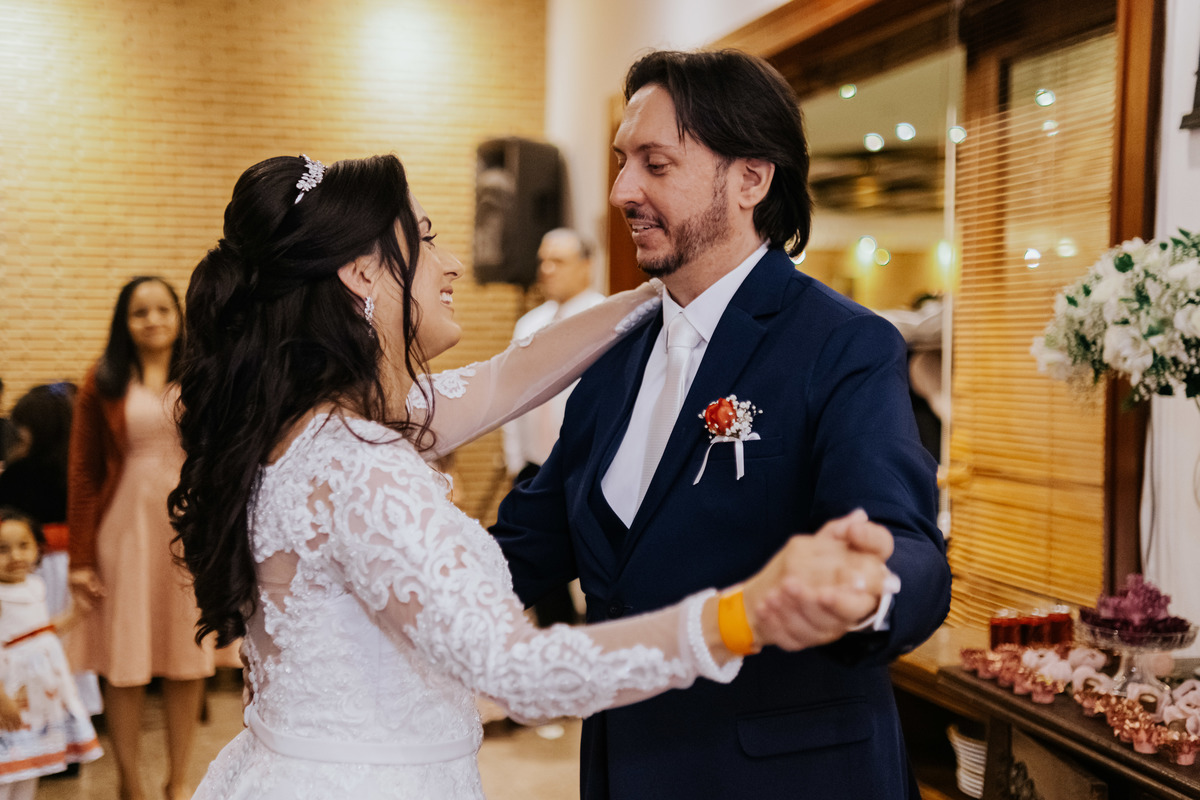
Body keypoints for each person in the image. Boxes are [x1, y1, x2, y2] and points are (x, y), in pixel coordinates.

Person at [169, 152, 899, 799]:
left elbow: (508, 377)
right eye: (425, 239)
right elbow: (520, 671)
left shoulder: (293, 420)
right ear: (362, 272)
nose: (451, 263)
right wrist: (743, 614)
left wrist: (677, 288)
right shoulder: (362, 467)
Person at [489, 49, 953, 799]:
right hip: (624, 769)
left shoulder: (841, 344)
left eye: (655, 164)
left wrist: (870, 589)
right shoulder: (611, 358)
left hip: (787, 778)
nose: (621, 191)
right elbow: (528, 544)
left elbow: (906, 544)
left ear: (750, 179)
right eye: (622, 162)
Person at [66, 276, 211, 800]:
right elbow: (83, 472)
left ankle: (178, 781)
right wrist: (80, 560)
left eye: (162, 309)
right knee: (123, 662)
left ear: (179, 315)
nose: (152, 320)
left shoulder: (203, 374)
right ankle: (130, 783)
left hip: (188, 529)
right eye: (139, 312)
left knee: (187, 659)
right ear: (123, 323)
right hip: (124, 532)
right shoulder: (102, 380)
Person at [501, 228, 605, 627]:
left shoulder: (607, 318)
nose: (546, 270)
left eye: (558, 261)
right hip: (533, 464)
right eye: (543, 261)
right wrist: (515, 460)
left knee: (590, 562)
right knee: (537, 565)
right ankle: (550, 640)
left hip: (583, 464)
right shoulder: (529, 325)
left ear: (586, 267)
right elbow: (513, 398)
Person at [0, 508, 102, 799]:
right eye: (2, 549)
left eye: (23, 545)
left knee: (30, 765)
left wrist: (76, 613)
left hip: (40, 692)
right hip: (11, 692)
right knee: (6, 770)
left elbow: (42, 630)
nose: (15, 556)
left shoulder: (35, 585)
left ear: (37, 548)